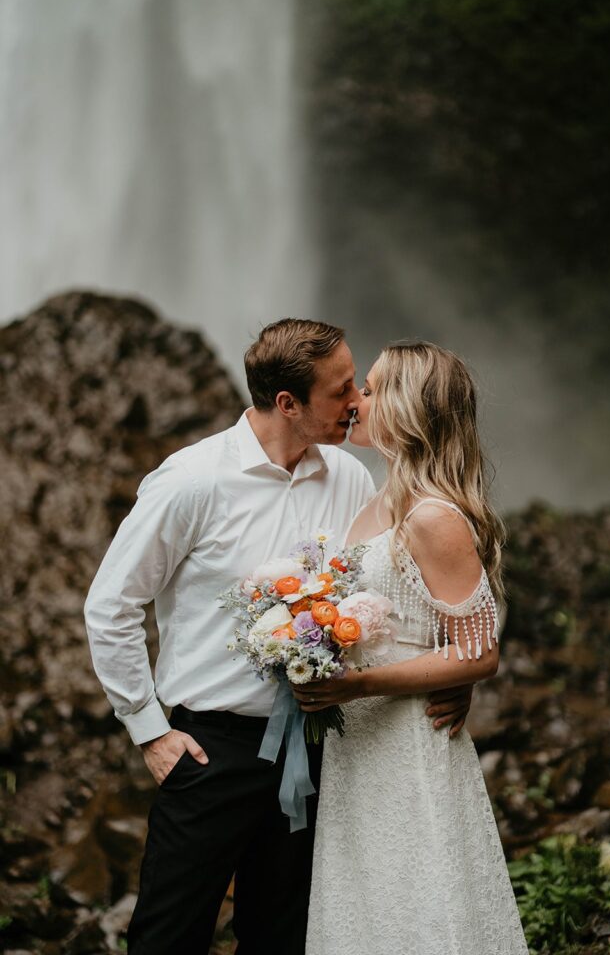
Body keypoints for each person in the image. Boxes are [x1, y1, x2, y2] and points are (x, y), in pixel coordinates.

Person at [83, 319, 471, 955]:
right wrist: (148, 730)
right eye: (342, 389)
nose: (357, 402)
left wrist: (454, 672)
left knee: (285, 935)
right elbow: (111, 604)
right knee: (169, 933)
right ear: (287, 403)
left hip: (321, 746)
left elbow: (399, 590)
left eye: (356, 384)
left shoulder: (349, 477)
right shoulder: (191, 480)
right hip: (210, 749)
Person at [297, 342, 529, 955]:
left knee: (420, 896)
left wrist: (359, 685)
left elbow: (480, 651)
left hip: (405, 736)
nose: (356, 403)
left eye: (370, 389)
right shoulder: (378, 501)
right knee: (366, 902)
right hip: (359, 744)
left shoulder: (432, 515)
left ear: (408, 406)